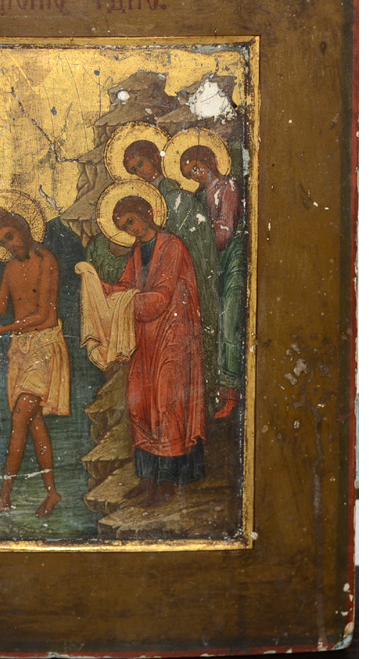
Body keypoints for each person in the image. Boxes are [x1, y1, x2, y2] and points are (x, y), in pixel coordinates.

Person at [0, 213, 70, 518]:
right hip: (20, 349)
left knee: (21, 416)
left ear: (23, 230)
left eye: (9, 237)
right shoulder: (10, 268)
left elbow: (46, 316)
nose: (9, 246)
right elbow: (0, 306)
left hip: (44, 344)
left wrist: (4, 329)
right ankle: (52, 492)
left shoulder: (46, 259)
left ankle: (4, 497)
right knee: (33, 423)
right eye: (2, 243)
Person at [103, 195, 207, 507]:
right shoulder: (137, 252)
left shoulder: (172, 246)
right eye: (124, 227)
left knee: (167, 400)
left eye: (131, 221)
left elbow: (160, 297)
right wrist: (100, 289)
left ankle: (169, 480)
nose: (130, 229)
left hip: (173, 336)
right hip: (145, 339)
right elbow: (126, 286)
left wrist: (122, 301)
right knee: (139, 401)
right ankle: (147, 478)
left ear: (147, 214)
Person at [122, 140, 220, 399]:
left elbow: (198, 245)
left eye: (141, 164)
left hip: (182, 286)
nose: (140, 173)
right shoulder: (142, 202)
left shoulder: (178, 198)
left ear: (156, 158)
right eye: (134, 170)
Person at [180, 144, 245, 418]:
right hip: (210, 265)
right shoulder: (197, 197)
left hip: (230, 260)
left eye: (196, 167)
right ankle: (212, 391)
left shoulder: (228, 187)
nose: (195, 175)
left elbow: (225, 229)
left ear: (209, 161)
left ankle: (230, 392)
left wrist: (199, 250)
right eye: (189, 173)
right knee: (209, 325)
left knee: (229, 321)